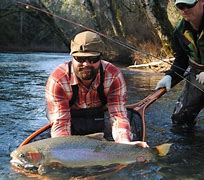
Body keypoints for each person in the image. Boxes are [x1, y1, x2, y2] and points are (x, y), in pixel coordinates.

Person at [46, 30, 148, 147]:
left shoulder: (113, 75)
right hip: (65, 114)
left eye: (93, 59)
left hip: (99, 112)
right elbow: (61, 123)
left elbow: (118, 116)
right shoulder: (58, 80)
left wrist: (124, 145)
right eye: (80, 59)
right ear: (72, 57)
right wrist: (65, 151)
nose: (86, 64)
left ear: (100, 58)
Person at [155, 0, 204, 131]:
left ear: (201, 2)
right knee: (180, 120)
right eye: (180, 6)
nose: (184, 10)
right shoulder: (179, 31)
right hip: (197, 75)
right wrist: (170, 75)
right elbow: (181, 59)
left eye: (189, 5)